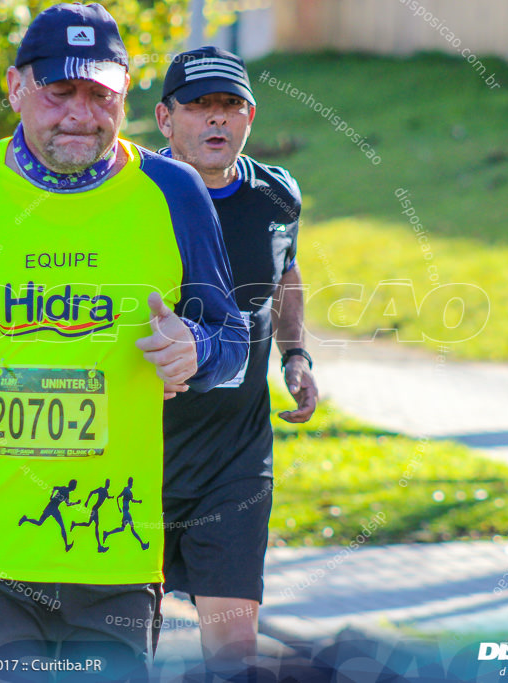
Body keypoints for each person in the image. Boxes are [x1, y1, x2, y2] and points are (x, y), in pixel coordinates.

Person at [0, 5, 247, 680]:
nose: (80, 112)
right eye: (59, 91)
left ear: (125, 93)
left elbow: (231, 336)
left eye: (100, 94)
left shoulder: (174, 192)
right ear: (15, 87)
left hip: (114, 554)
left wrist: (199, 350)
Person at [154, 46, 319, 677]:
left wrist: (295, 355)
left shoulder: (275, 196)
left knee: (232, 650)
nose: (216, 121)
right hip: (136, 455)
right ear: (166, 119)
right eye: (200, 107)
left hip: (234, 457)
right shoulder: (134, 195)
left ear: (249, 117)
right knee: (120, 642)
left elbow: (286, 274)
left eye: (230, 107)